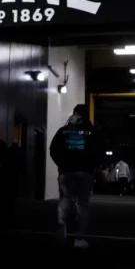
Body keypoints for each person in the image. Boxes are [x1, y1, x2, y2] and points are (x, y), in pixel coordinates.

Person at [49, 104, 101, 249]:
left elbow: (53, 149)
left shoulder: (63, 130)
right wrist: (94, 167)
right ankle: (80, 237)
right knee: (82, 203)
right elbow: (99, 151)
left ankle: (61, 222)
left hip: (66, 171)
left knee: (65, 198)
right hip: (85, 172)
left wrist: (61, 164)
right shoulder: (92, 131)